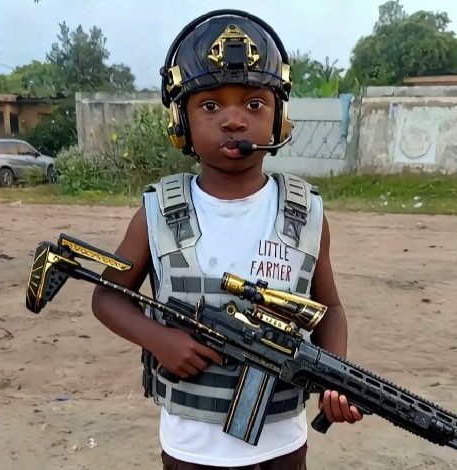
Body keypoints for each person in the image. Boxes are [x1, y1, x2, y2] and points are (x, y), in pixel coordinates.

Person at [92, 9, 362, 470]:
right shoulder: (158, 213)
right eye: (210, 106)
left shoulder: (305, 213)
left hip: (282, 444)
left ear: (279, 119)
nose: (234, 121)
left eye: (254, 104)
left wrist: (335, 377)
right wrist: (159, 340)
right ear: (180, 121)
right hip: (191, 447)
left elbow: (329, 309)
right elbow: (107, 296)